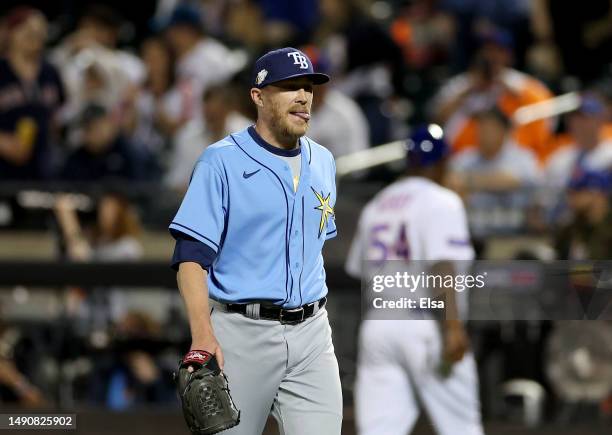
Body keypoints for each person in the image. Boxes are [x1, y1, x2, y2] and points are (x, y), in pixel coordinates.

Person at [169, 47, 341, 434]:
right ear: (258, 96)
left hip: (313, 333)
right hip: (242, 336)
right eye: (288, 87)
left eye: (308, 87)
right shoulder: (221, 161)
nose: (303, 97)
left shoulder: (325, 161)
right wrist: (202, 334)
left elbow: (313, 249)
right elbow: (191, 258)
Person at [345, 125, 484, 435]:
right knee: (462, 429)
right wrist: (453, 327)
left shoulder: (376, 205)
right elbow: (442, 266)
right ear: (441, 163)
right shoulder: (441, 200)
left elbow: (358, 272)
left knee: (380, 430)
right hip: (427, 325)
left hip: (378, 326)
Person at [431, 27, 554, 162]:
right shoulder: (462, 84)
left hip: (507, 157)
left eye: (498, 50)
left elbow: (546, 116)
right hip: (461, 157)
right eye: (488, 49)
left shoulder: (520, 83)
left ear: (509, 55)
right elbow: (436, 120)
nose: (492, 55)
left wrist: (507, 88)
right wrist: (469, 90)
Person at [449, 108, 541, 236]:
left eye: (489, 129)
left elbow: (512, 181)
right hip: (474, 233)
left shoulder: (522, 157)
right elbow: (452, 182)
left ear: (504, 131)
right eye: (480, 128)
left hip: (514, 234)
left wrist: (470, 181)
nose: (483, 134)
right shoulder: (465, 158)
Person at [0, 7, 66, 180]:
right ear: (11, 33)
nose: (35, 35)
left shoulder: (50, 72)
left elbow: (57, 116)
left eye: (39, 30)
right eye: (28, 30)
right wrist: (5, 143)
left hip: (42, 167)